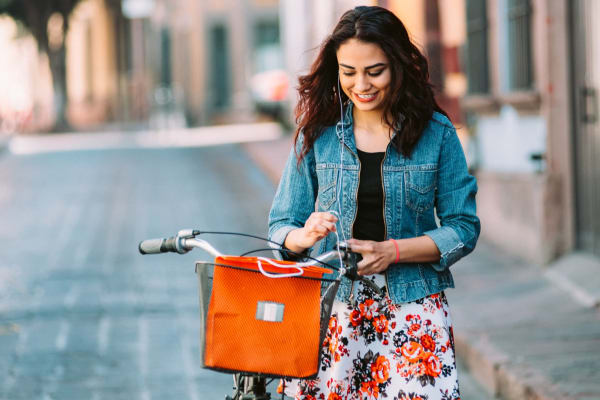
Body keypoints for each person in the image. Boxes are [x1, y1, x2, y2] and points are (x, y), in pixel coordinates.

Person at [268, 6, 480, 400]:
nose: (360, 84)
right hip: (332, 312)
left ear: (399, 65)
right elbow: (280, 229)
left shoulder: (436, 134)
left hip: (414, 310)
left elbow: (463, 228)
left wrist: (393, 252)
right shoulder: (317, 136)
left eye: (374, 70)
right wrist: (304, 234)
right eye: (348, 72)